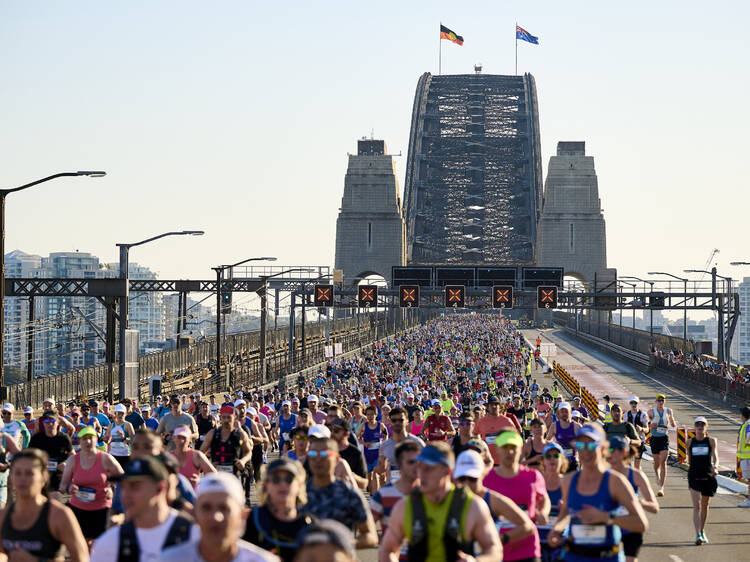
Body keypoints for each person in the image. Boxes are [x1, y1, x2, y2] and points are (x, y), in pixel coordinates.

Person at [380, 442, 502, 562]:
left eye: (428, 468)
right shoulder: (405, 506)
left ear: (447, 470)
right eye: (419, 467)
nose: (421, 474)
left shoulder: (472, 505)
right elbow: (387, 550)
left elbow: (494, 549)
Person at [547, 424, 648, 561]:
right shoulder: (568, 481)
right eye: (581, 446)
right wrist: (557, 529)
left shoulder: (615, 481)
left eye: (591, 446)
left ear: (603, 448)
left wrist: (606, 517)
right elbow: (566, 512)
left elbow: (641, 523)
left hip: (606, 556)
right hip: (574, 556)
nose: (586, 451)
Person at [90, 456, 197, 561]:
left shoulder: (193, 535)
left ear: (160, 488)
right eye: (123, 487)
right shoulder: (110, 542)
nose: (125, 495)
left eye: (135, 486)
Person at [162, 472, 279, 561]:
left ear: (242, 515)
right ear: (195, 514)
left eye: (224, 508)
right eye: (206, 508)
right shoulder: (168, 559)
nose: (216, 517)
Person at [0, 448, 89, 561]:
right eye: (17, 473)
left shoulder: (59, 515)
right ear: (11, 477)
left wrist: (36, 560)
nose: (22, 479)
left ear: (43, 477)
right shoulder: (3, 516)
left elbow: (82, 558)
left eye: (29, 473)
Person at [483, 431, 550, 561]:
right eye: (505, 448)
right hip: (496, 549)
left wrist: (544, 512)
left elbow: (544, 498)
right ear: (497, 450)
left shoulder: (533, 476)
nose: (510, 452)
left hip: (528, 548)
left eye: (513, 448)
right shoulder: (486, 478)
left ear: (520, 450)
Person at [453, 448, 535, 550]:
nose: (467, 484)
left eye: (472, 479)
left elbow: (528, 526)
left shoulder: (493, 500)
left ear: (482, 474)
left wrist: (501, 539)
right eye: (462, 479)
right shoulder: (448, 498)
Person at [304, 438, 378, 548]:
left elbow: (371, 536)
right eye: (313, 454)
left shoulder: (350, 494)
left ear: (337, 459)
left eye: (324, 454)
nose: (318, 459)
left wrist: (344, 544)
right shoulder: (298, 493)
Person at [60, 426, 124, 546]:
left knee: (98, 545)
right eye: (84, 439)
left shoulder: (106, 458)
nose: (88, 441)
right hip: (78, 508)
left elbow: (123, 480)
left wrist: (112, 489)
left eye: (91, 438)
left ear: (96, 440)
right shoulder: (73, 460)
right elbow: (63, 485)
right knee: (81, 544)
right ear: (79, 441)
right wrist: (70, 487)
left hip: (101, 508)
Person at [243, 458, 314, 561]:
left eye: (289, 479)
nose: (283, 484)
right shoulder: (251, 521)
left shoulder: (310, 525)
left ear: (299, 485)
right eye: (276, 479)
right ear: (266, 484)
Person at [607, 436, 659, 562]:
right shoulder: (602, 475)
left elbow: (654, 507)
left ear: (624, 452)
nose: (611, 453)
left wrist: (639, 503)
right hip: (610, 526)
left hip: (631, 526)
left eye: (615, 450)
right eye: (609, 449)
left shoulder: (636, 475)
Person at [370, 439, 422, 542]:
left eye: (419, 461)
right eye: (411, 462)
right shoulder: (382, 495)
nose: (416, 465)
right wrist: (387, 540)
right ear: (399, 464)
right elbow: (366, 530)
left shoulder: (431, 493)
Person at [687, 416, 718, 545]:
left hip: (707, 476)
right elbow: (689, 459)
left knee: (705, 505)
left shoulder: (711, 441)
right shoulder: (689, 442)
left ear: (706, 427)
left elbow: (715, 456)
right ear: (694, 427)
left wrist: (715, 467)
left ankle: (702, 530)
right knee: (697, 506)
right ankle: (697, 535)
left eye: (702, 424)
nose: (700, 426)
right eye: (697, 424)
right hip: (694, 475)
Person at [29, 410, 73, 499]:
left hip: (57, 477)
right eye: (46, 421)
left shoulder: (63, 438)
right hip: (40, 477)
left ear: (58, 423)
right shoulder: (37, 438)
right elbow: (29, 456)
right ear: (43, 423)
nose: (50, 424)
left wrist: (67, 463)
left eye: (52, 421)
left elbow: (73, 455)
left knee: (54, 501)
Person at [200, 405, 252, 477]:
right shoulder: (212, 434)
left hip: (234, 474)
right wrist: (209, 465)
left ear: (234, 418)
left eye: (229, 417)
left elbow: (248, 452)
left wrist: (243, 461)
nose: (226, 420)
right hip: (216, 475)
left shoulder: (241, 434)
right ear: (220, 418)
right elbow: (201, 452)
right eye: (224, 417)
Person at [378, 407, 425, 484]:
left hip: (413, 490)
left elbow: (426, 467)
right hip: (393, 489)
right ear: (390, 422)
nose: (397, 423)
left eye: (401, 420)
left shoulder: (417, 443)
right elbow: (381, 470)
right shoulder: (384, 446)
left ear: (407, 421)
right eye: (394, 420)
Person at [540, 442, 567, 562]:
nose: (552, 459)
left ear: (562, 460)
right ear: (543, 461)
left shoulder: (568, 483)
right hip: (538, 542)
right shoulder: (536, 482)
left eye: (556, 456)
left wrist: (566, 510)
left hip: (559, 542)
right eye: (548, 456)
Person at [648, 393, 676, 497]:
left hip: (664, 438)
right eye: (659, 400)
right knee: (657, 463)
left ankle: (661, 487)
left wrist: (672, 424)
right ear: (656, 402)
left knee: (663, 462)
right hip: (655, 438)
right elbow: (646, 424)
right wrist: (651, 425)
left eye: (662, 400)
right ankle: (656, 473)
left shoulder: (669, 411)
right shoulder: (651, 411)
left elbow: (673, 423)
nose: (661, 402)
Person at [475, 395, 516, 465]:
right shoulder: (481, 421)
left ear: (500, 407)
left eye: (496, 404)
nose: (494, 406)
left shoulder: (507, 421)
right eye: (491, 404)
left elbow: (515, 438)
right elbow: (474, 435)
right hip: (486, 461)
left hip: (503, 461)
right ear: (487, 407)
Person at [173, 424, 216, 490]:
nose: (181, 441)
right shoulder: (168, 456)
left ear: (190, 439)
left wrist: (201, 485)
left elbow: (214, 476)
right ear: (174, 438)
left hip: (193, 497)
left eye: (184, 438)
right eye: (179, 437)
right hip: (173, 497)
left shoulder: (197, 455)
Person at [329, 417, 367, 490]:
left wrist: (350, 475)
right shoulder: (326, 451)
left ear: (347, 434)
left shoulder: (356, 453)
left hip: (347, 497)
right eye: (331, 430)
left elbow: (364, 484)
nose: (332, 433)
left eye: (336, 431)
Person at [547, 402, 581, 472]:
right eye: (562, 411)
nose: (564, 413)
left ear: (570, 412)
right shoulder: (554, 426)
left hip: (573, 462)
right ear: (559, 413)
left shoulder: (577, 426)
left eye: (566, 411)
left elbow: (583, 445)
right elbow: (547, 442)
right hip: (559, 463)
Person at [106, 404, 136, 468]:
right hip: (113, 455)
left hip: (125, 455)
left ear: (125, 413)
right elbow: (107, 441)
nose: (120, 415)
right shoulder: (111, 426)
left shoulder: (128, 425)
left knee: (125, 477)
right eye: (118, 413)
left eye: (122, 413)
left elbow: (134, 441)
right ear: (115, 414)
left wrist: (124, 437)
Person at [624, 397, 649, 470]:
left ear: (638, 404)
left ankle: (637, 478)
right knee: (628, 463)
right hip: (630, 441)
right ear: (629, 404)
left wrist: (641, 429)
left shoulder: (643, 414)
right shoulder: (626, 415)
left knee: (636, 465)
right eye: (632, 403)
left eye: (635, 403)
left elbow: (647, 429)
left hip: (640, 441)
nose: (633, 405)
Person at [737, 406, 750, 507]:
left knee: (749, 479)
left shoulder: (748, 425)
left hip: (747, 457)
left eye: (741, 414)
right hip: (745, 457)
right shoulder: (746, 425)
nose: (739, 416)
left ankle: (749, 500)